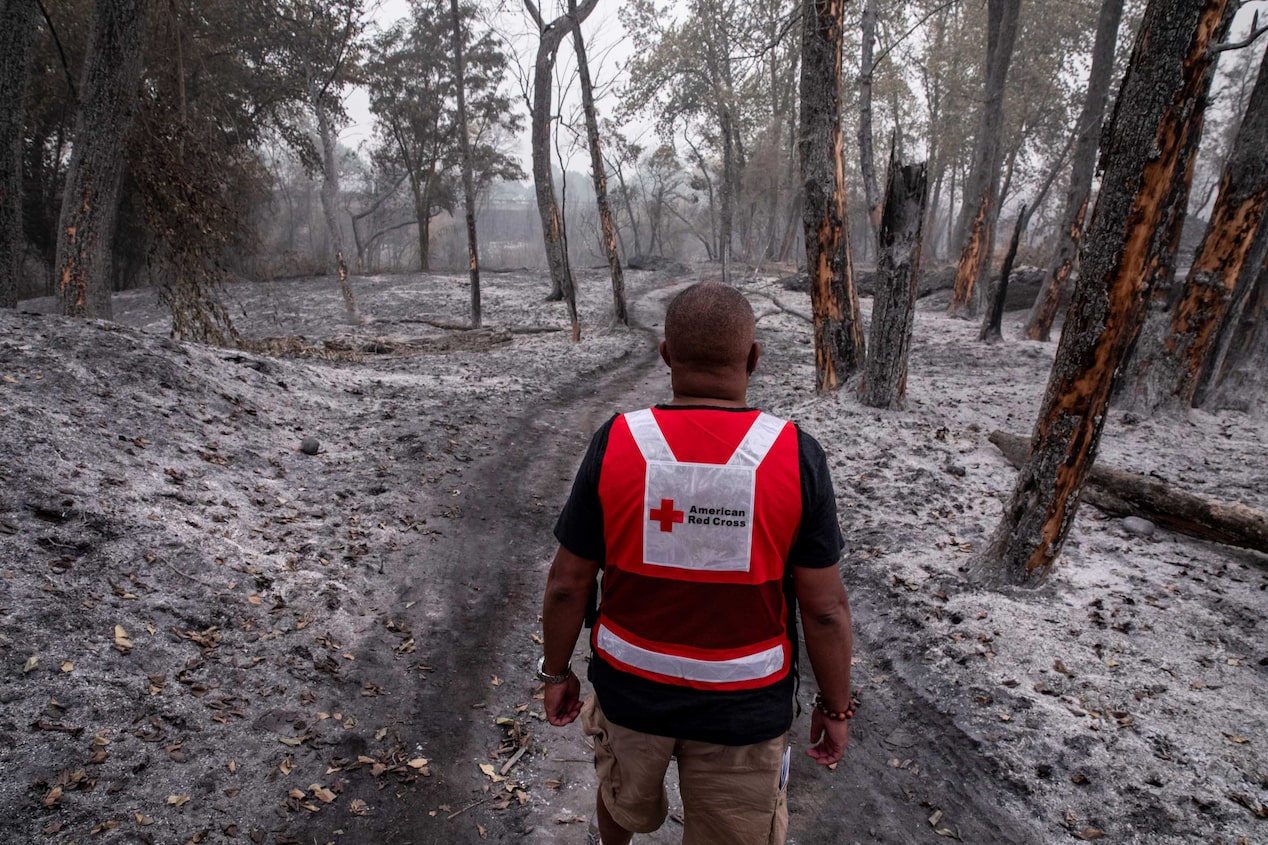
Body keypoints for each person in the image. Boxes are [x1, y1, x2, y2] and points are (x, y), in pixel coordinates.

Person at [539, 282, 855, 845]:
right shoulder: (795, 454)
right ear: (754, 358)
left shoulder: (616, 442)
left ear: (665, 355)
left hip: (630, 695)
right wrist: (836, 708)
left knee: (619, 801)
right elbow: (825, 610)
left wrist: (557, 672)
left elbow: (568, 584)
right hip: (745, 711)